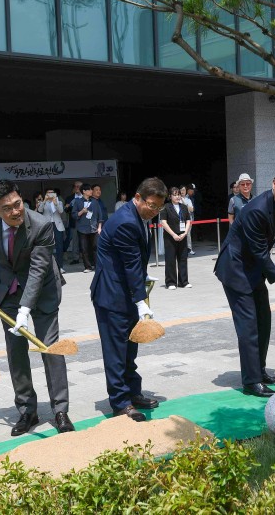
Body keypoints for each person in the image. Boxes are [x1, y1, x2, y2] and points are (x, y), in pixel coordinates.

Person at [0, 179, 74, 436]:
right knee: (16, 353)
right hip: (7, 292)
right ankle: (27, 410)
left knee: (49, 347)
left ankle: (60, 410)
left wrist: (25, 309)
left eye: (17, 204)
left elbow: (39, 269)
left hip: (42, 292)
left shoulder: (42, 225)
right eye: (6, 208)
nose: (15, 211)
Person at [214, 164, 275, 397]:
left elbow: (261, 253)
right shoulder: (257, 209)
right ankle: (251, 382)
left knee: (264, 320)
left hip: (252, 269)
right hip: (236, 270)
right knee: (249, 326)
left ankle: (259, 370)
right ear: (273, 184)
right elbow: (260, 252)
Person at [91, 177, 167, 421]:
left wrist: (141, 283)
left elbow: (134, 262)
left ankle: (133, 393)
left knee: (129, 348)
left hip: (124, 292)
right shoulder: (126, 222)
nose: (154, 211)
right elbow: (131, 263)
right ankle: (120, 403)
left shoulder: (138, 217)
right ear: (137, 197)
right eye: (151, 205)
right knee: (116, 351)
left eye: (158, 208)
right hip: (111, 295)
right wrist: (141, 299)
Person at [162, 187, 192, 289]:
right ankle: (171, 282)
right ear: (170, 196)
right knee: (170, 259)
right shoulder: (166, 207)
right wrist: (173, 234)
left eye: (178, 194)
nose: (177, 196)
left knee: (183, 258)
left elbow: (188, 220)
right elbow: (163, 222)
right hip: (170, 237)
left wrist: (185, 233)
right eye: (175, 195)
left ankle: (184, 281)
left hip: (182, 235)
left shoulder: (183, 207)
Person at [72, 183, 101, 273]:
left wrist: (99, 227)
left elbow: (99, 215)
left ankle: (97, 266)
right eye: (89, 190)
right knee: (84, 248)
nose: (91, 191)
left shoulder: (95, 202)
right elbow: (74, 215)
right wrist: (82, 211)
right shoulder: (77, 201)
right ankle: (88, 267)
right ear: (84, 191)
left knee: (95, 247)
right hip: (82, 228)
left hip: (93, 227)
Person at [36, 187, 66, 273]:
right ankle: (49, 267)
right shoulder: (43, 203)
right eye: (48, 193)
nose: (50, 194)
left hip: (57, 225)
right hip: (47, 225)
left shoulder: (58, 202)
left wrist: (55, 203)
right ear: (46, 194)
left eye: (52, 193)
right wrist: (44, 201)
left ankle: (60, 266)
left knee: (59, 246)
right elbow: (40, 210)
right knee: (48, 246)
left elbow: (61, 211)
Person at [64, 181, 83, 264]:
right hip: (74, 222)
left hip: (85, 222)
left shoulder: (86, 197)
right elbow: (66, 211)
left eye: (79, 186)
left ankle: (88, 257)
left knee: (86, 240)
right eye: (75, 186)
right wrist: (67, 207)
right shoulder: (69, 198)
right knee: (75, 240)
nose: (77, 188)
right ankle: (76, 258)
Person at [180, 185, 195, 254]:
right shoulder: (176, 199)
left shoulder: (188, 200)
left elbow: (191, 209)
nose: (183, 191)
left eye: (184, 190)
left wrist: (184, 203)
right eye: (181, 190)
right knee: (180, 233)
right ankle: (181, 249)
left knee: (188, 234)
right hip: (180, 219)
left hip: (188, 219)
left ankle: (189, 248)